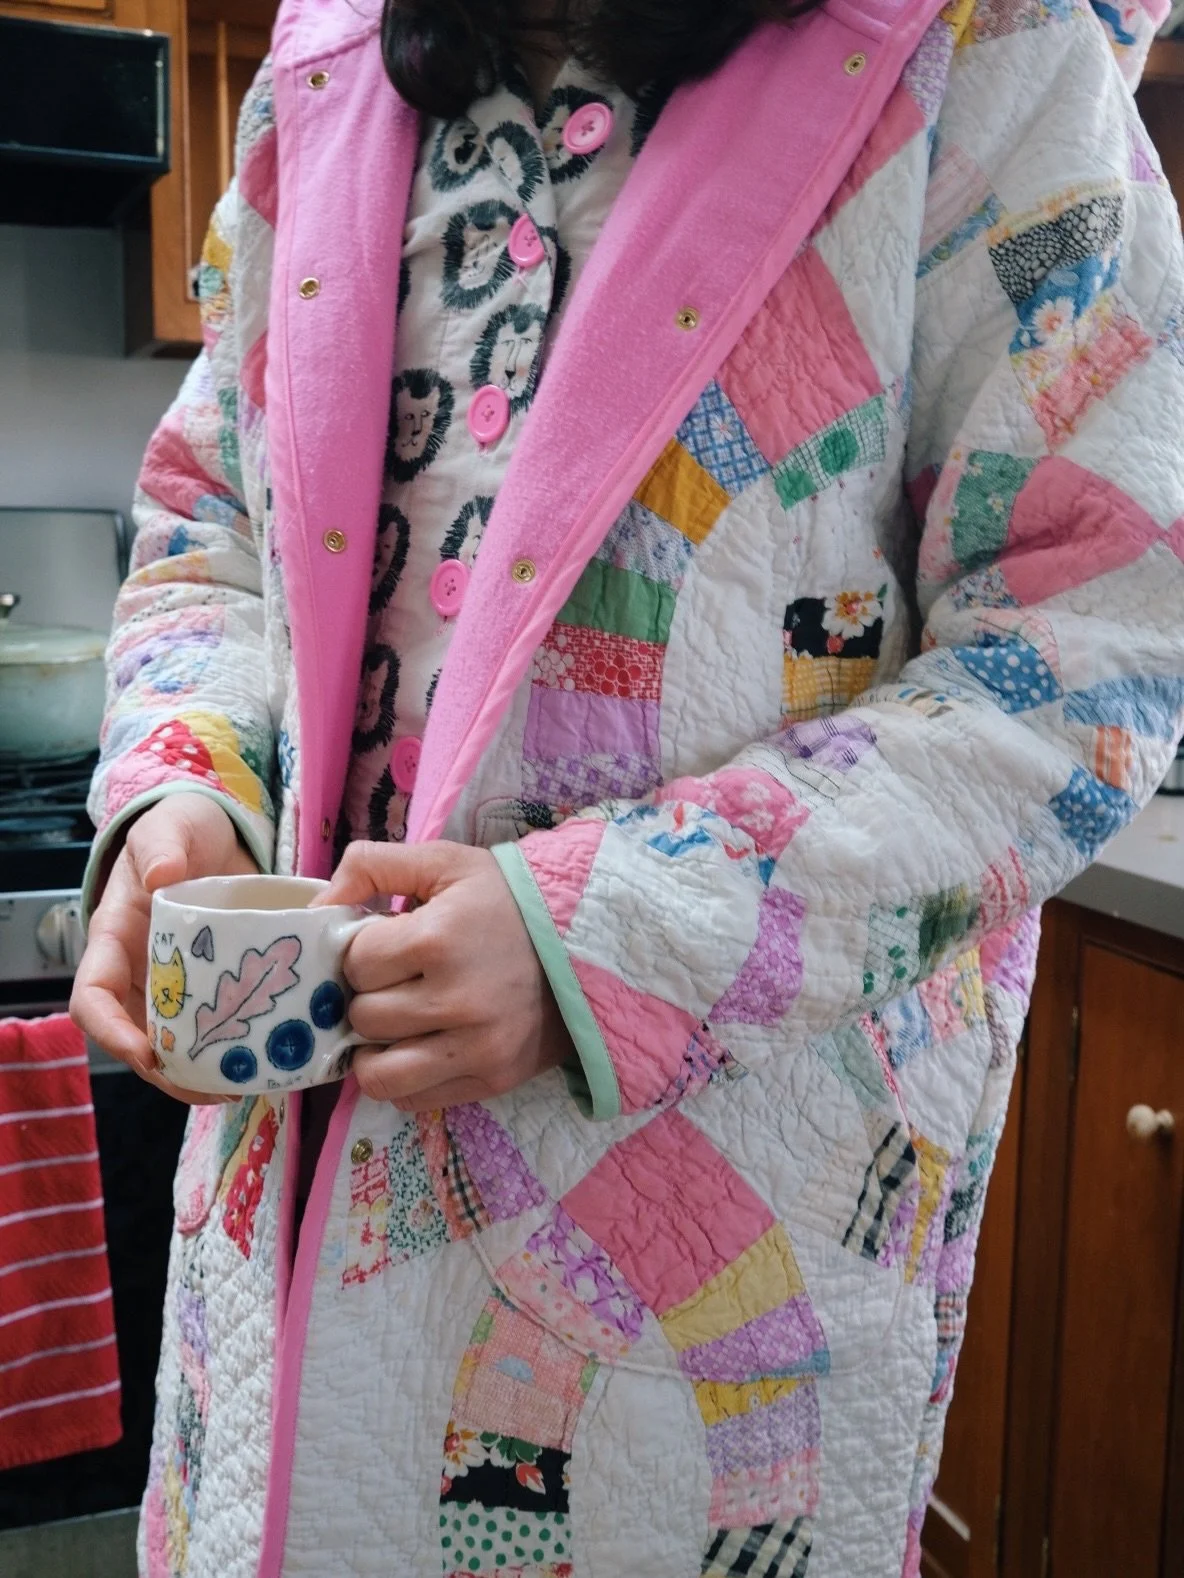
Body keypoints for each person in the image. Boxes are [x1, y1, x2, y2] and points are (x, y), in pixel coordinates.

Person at [72, 0, 1184, 1570]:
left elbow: (1097, 645)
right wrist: (193, 784)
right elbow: (217, 522)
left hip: (693, 1321)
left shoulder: (983, 55)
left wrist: (599, 932)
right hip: (267, 1297)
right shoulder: (321, 71)